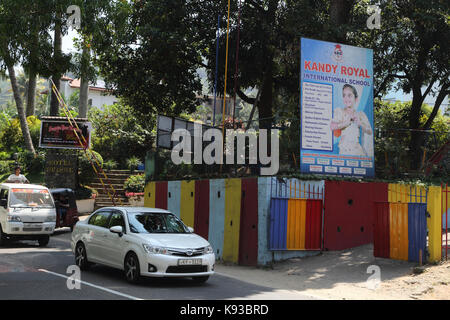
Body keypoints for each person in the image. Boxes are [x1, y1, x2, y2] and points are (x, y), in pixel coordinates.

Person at [330, 84, 373, 156]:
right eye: (344, 95)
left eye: (349, 95)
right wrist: (346, 123)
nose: (346, 98)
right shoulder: (339, 111)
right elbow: (332, 127)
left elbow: (370, 131)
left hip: (357, 151)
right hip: (344, 151)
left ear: (356, 99)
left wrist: (360, 123)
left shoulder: (361, 114)